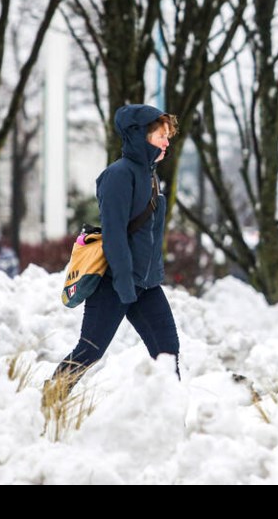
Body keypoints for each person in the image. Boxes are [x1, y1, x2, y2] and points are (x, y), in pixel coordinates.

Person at [47, 104, 180, 396]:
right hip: (114, 282)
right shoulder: (118, 176)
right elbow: (115, 233)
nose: (167, 142)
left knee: (168, 354)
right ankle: (49, 399)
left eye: (168, 136)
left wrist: (150, 276)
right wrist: (123, 283)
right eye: (161, 135)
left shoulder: (150, 175)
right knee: (90, 350)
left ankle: (171, 423)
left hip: (146, 284)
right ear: (140, 135)